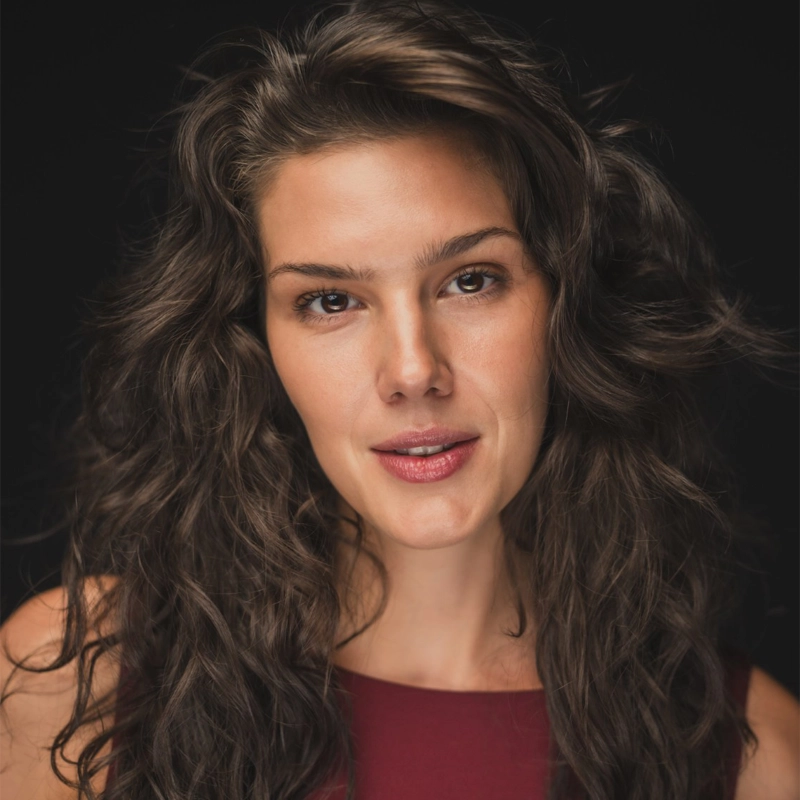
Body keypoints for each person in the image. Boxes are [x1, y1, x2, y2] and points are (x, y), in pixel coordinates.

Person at [1, 1, 797, 798]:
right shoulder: (79, 681)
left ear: (566, 302)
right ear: (255, 340)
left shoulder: (746, 751)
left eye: (470, 281)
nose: (413, 370)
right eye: (330, 301)